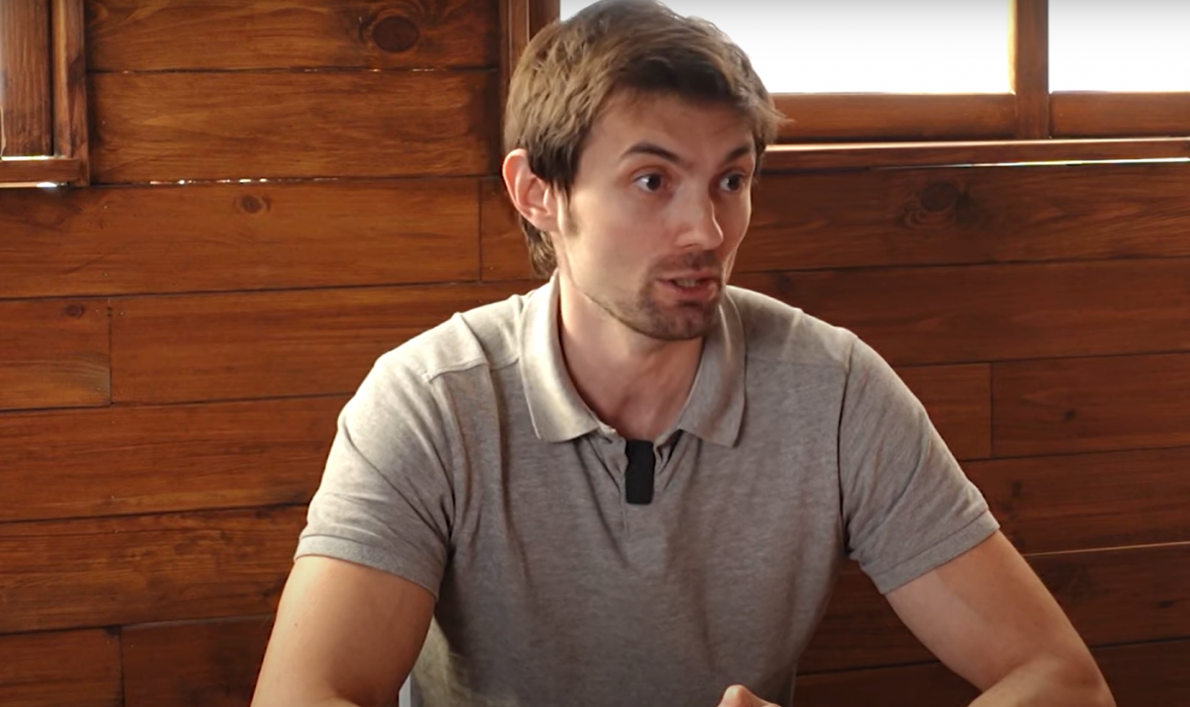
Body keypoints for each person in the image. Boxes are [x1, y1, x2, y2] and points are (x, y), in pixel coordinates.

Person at [250, 1, 1115, 706]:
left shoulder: (835, 389)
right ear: (538, 193)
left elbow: (1062, 680)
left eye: (731, 180)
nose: (706, 230)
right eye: (652, 180)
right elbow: (304, 694)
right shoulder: (431, 399)